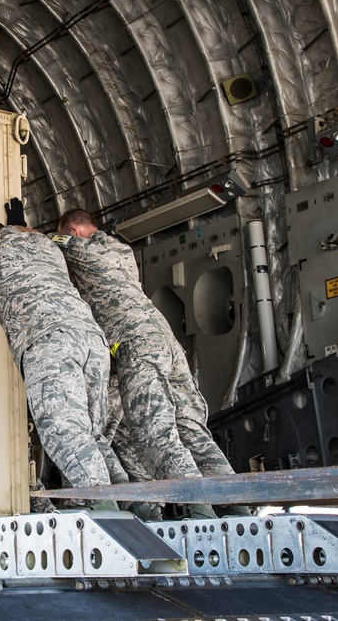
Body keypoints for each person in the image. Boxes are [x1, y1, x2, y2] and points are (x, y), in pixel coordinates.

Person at [53, 207, 249, 518]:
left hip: (135, 346)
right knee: (191, 431)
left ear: (74, 231)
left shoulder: (80, 248)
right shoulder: (120, 250)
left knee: (153, 432)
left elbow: (50, 243)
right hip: (165, 342)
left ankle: (201, 511)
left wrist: (19, 228)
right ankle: (238, 505)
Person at [0, 218, 123, 511]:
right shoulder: (47, 246)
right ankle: (135, 503)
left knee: (62, 429)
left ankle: (106, 508)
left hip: (48, 340)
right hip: (92, 340)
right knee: (92, 435)